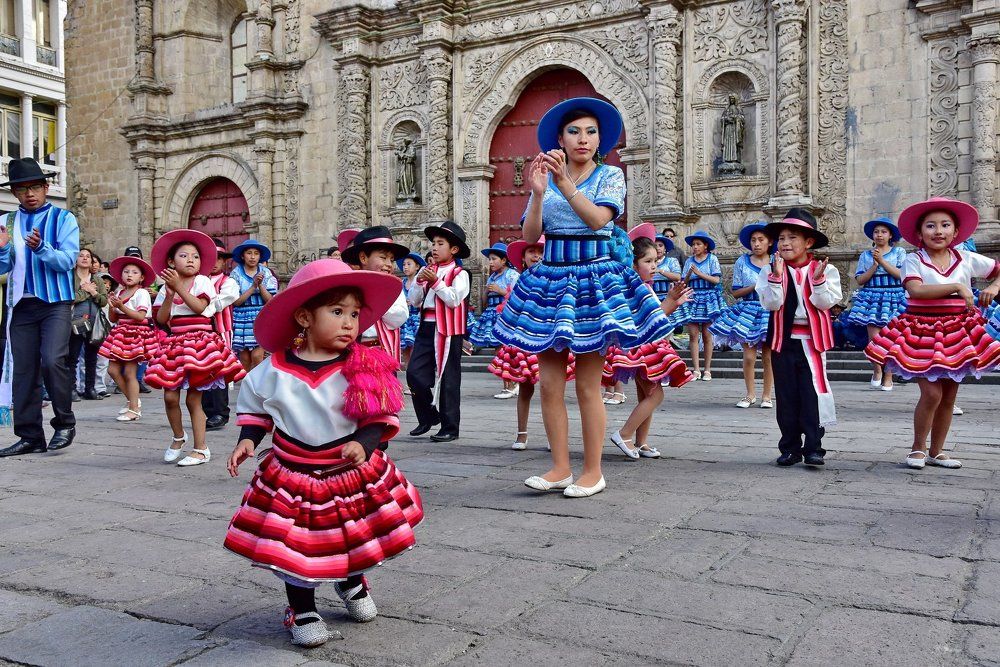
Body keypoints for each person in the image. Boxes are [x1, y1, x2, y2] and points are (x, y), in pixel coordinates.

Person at [224, 259, 422, 647]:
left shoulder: (362, 364)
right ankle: (301, 608)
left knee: (351, 534)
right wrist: (248, 438)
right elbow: (258, 409)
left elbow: (379, 416)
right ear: (304, 317)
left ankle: (351, 582)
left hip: (348, 471)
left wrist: (364, 444)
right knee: (297, 544)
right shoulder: (272, 370)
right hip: (292, 475)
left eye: (354, 313)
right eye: (337, 312)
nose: (350, 322)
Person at [493, 97, 672, 498]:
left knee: (589, 384)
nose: (583, 139)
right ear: (560, 137)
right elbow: (527, 236)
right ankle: (559, 466)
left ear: (600, 139)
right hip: (551, 277)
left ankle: (593, 470)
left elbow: (598, 220)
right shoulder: (545, 177)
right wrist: (538, 193)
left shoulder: (610, 176)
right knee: (550, 383)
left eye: (591, 132)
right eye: (574, 131)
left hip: (593, 278)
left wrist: (564, 186)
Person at [866, 198, 1000, 469]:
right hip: (922, 330)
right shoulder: (913, 260)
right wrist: (959, 288)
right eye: (931, 226)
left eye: (945, 225)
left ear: (956, 231)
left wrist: (994, 287)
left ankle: (937, 451)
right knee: (931, 393)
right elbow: (916, 290)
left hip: (958, 330)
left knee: (949, 396)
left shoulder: (966, 258)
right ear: (919, 233)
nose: (938, 231)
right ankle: (918, 447)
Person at [0, 157, 79, 456]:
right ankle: (30, 435)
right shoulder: (6, 222)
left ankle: (64, 423)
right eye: (21, 189)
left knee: (51, 359)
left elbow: (68, 261)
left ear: (46, 188)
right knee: (24, 370)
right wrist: (4, 249)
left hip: (55, 302)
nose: (29, 193)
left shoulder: (64, 219)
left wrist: (41, 248)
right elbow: (2, 268)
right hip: (20, 304)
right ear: (14, 193)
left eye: (34, 187)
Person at [146, 229, 246, 466]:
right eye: (184, 255)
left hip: (200, 343)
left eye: (195, 256)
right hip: (175, 344)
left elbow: (201, 307)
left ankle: (201, 448)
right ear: (171, 261)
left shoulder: (202, 281)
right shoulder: (164, 288)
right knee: (170, 396)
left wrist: (179, 288)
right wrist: (169, 293)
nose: (191, 260)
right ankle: (178, 437)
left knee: (193, 399)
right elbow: (161, 319)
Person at [755, 209, 842, 467]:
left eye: (792, 237)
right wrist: (775, 278)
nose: (785, 243)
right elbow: (772, 304)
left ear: (809, 242)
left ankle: (814, 446)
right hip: (783, 339)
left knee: (813, 391)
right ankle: (789, 447)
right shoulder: (769, 270)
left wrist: (817, 282)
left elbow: (825, 302)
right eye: (781, 238)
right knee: (786, 394)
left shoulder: (826, 270)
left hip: (812, 341)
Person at [605, 227, 694, 459]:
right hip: (642, 346)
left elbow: (659, 315)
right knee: (656, 395)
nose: (654, 266)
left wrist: (674, 301)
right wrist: (671, 300)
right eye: (648, 261)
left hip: (646, 345)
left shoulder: (643, 286)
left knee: (646, 395)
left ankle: (641, 442)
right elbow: (650, 318)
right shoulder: (635, 288)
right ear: (634, 264)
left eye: (655, 260)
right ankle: (624, 434)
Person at [489, 236, 576, 450]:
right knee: (525, 389)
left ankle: (553, 436)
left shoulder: (556, 277)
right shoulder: (520, 279)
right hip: (524, 339)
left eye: (540, 251)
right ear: (523, 258)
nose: (536, 255)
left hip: (548, 338)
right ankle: (522, 434)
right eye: (531, 252)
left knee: (553, 390)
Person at [406, 221, 470, 442]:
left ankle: (450, 427)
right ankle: (428, 416)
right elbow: (413, 301)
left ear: (454, 249)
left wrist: (436, 283)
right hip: (426, 326)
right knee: (414, 374)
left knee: (448, 378)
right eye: (433, 243)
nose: (434, 247)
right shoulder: (428, 271)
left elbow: (453, 300)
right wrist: (418, 282)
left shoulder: (461, 274)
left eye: (440, 243)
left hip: (449, 330)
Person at [709, 223, 773, 408]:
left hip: (769, 310)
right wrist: (756, 285)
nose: (757, 244)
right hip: (747, 310)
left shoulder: (777, 261)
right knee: (749, 356)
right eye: (753, 240)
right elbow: (735, 292)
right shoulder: (742, 262)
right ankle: (750, 394)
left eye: (761, 240)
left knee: (769, 356)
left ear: (769, 242)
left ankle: (767, 395)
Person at [846, 217, 907, 391]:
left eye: (883, 232)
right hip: (872, 296)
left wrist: (882, 261)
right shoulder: (866, 255)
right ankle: (877, 369)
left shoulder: (899, 253)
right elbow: (860, 280)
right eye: (876, 232)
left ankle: (889, 374)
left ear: (890, 236)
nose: (879, 235)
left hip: (894, 295)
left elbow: (901, 275)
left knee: (892, 337)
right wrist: (873, 265)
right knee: (875, 339)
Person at [99, 255, 158, 421]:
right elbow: (113, 318)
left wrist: (121, 306)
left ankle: (134, 409)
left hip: (135, 333)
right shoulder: (120, 292)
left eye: (134, 272)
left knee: (130, 372)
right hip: (121, 332)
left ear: (142, 277)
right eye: (126, 272)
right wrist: (112, 306)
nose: (129, 275)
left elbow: (140, 316)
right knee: (113, 370)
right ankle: (133, 400)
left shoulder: (141, 293)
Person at [340, 226, 410, 360]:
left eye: (391, 259)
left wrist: (374, 301)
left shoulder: (393, 286)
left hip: (382, 352)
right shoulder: (349, 285)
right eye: (383, 257)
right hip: (352, 353)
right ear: (363, 258)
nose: (389, 264)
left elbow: (399, 318)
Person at [470, 242, 520, 398]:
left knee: (503, 350)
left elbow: (519, 296)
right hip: (491, 315)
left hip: (505, 314)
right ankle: (510, 384)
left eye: (493, 259)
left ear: (504, 260)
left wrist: (501, 290)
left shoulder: (512, 275)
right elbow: (484, 301)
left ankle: (510, 385)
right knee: (497, 350)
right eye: (489, 259)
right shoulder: (492, 276)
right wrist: (486, 291)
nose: (490, 262)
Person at [672, 230, 724, 380]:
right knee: (693, 335)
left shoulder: (712, 259)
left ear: (705, 246)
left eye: (698, 244)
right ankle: (696, 369)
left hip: (708, 297)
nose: (695, 247)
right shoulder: (689, 261)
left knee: (708, 335)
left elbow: (716, 280)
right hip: (693, 296)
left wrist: (700, 273)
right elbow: (684, 282)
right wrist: (689, 273)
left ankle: (707, 369)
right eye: (693, 244)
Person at [203, 238, 240, 431]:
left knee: (218, 370)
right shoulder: (199, 281)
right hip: (199, 333)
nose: (215, 262)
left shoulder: (229, 282)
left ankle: (220, 412)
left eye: (219, 258)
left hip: (220, 331)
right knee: (202, 370)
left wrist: (200, 307)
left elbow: (222, 301)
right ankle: (207, 410)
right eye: (211, 258)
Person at [230, 239, 278, 372]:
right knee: (244, 359)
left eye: (256, 253)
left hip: (260, 316)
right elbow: (237, 302)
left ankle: (258, 388)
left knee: (257, 356)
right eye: (249, 253)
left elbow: (269, 300)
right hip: (242, 318)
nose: (252, 257)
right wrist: (253, 286)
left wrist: (260, 284)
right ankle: (247, 389)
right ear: (242, 256)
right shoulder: (236, 274)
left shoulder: (266, 273)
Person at [69, 247, 108, 401]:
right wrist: (86, 292)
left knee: (92, 356)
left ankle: (90, 389)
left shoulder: (97, 279)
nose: (85, 258)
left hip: (94, 321)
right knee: (72, 356)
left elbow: (104, 300)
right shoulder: (70, 277)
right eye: (81, 256)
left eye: (88, 256)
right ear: (76, 259)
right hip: (75, 321)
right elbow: (69, 297)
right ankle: (71, 389)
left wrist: (93, 292)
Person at [397, 252, 425, 369]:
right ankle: (409, 375)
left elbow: (427, 300)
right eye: (404, 264)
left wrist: (416, 303)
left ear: (417, 267)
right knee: (405, 350)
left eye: (409, 264)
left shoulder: (422, 282)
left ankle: (415, 373)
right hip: (405, 320)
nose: (406, 267)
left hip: (416, 318)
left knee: (415, 349)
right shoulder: (401, 283)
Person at [652, 233, 682, 301]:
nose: (657, 248)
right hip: (652, 298)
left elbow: (678, 277)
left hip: (669, 297)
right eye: (655, 246)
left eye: (660, 246)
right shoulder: (648, 262)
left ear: (665, 248)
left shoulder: (671, 260)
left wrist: (660, 271)